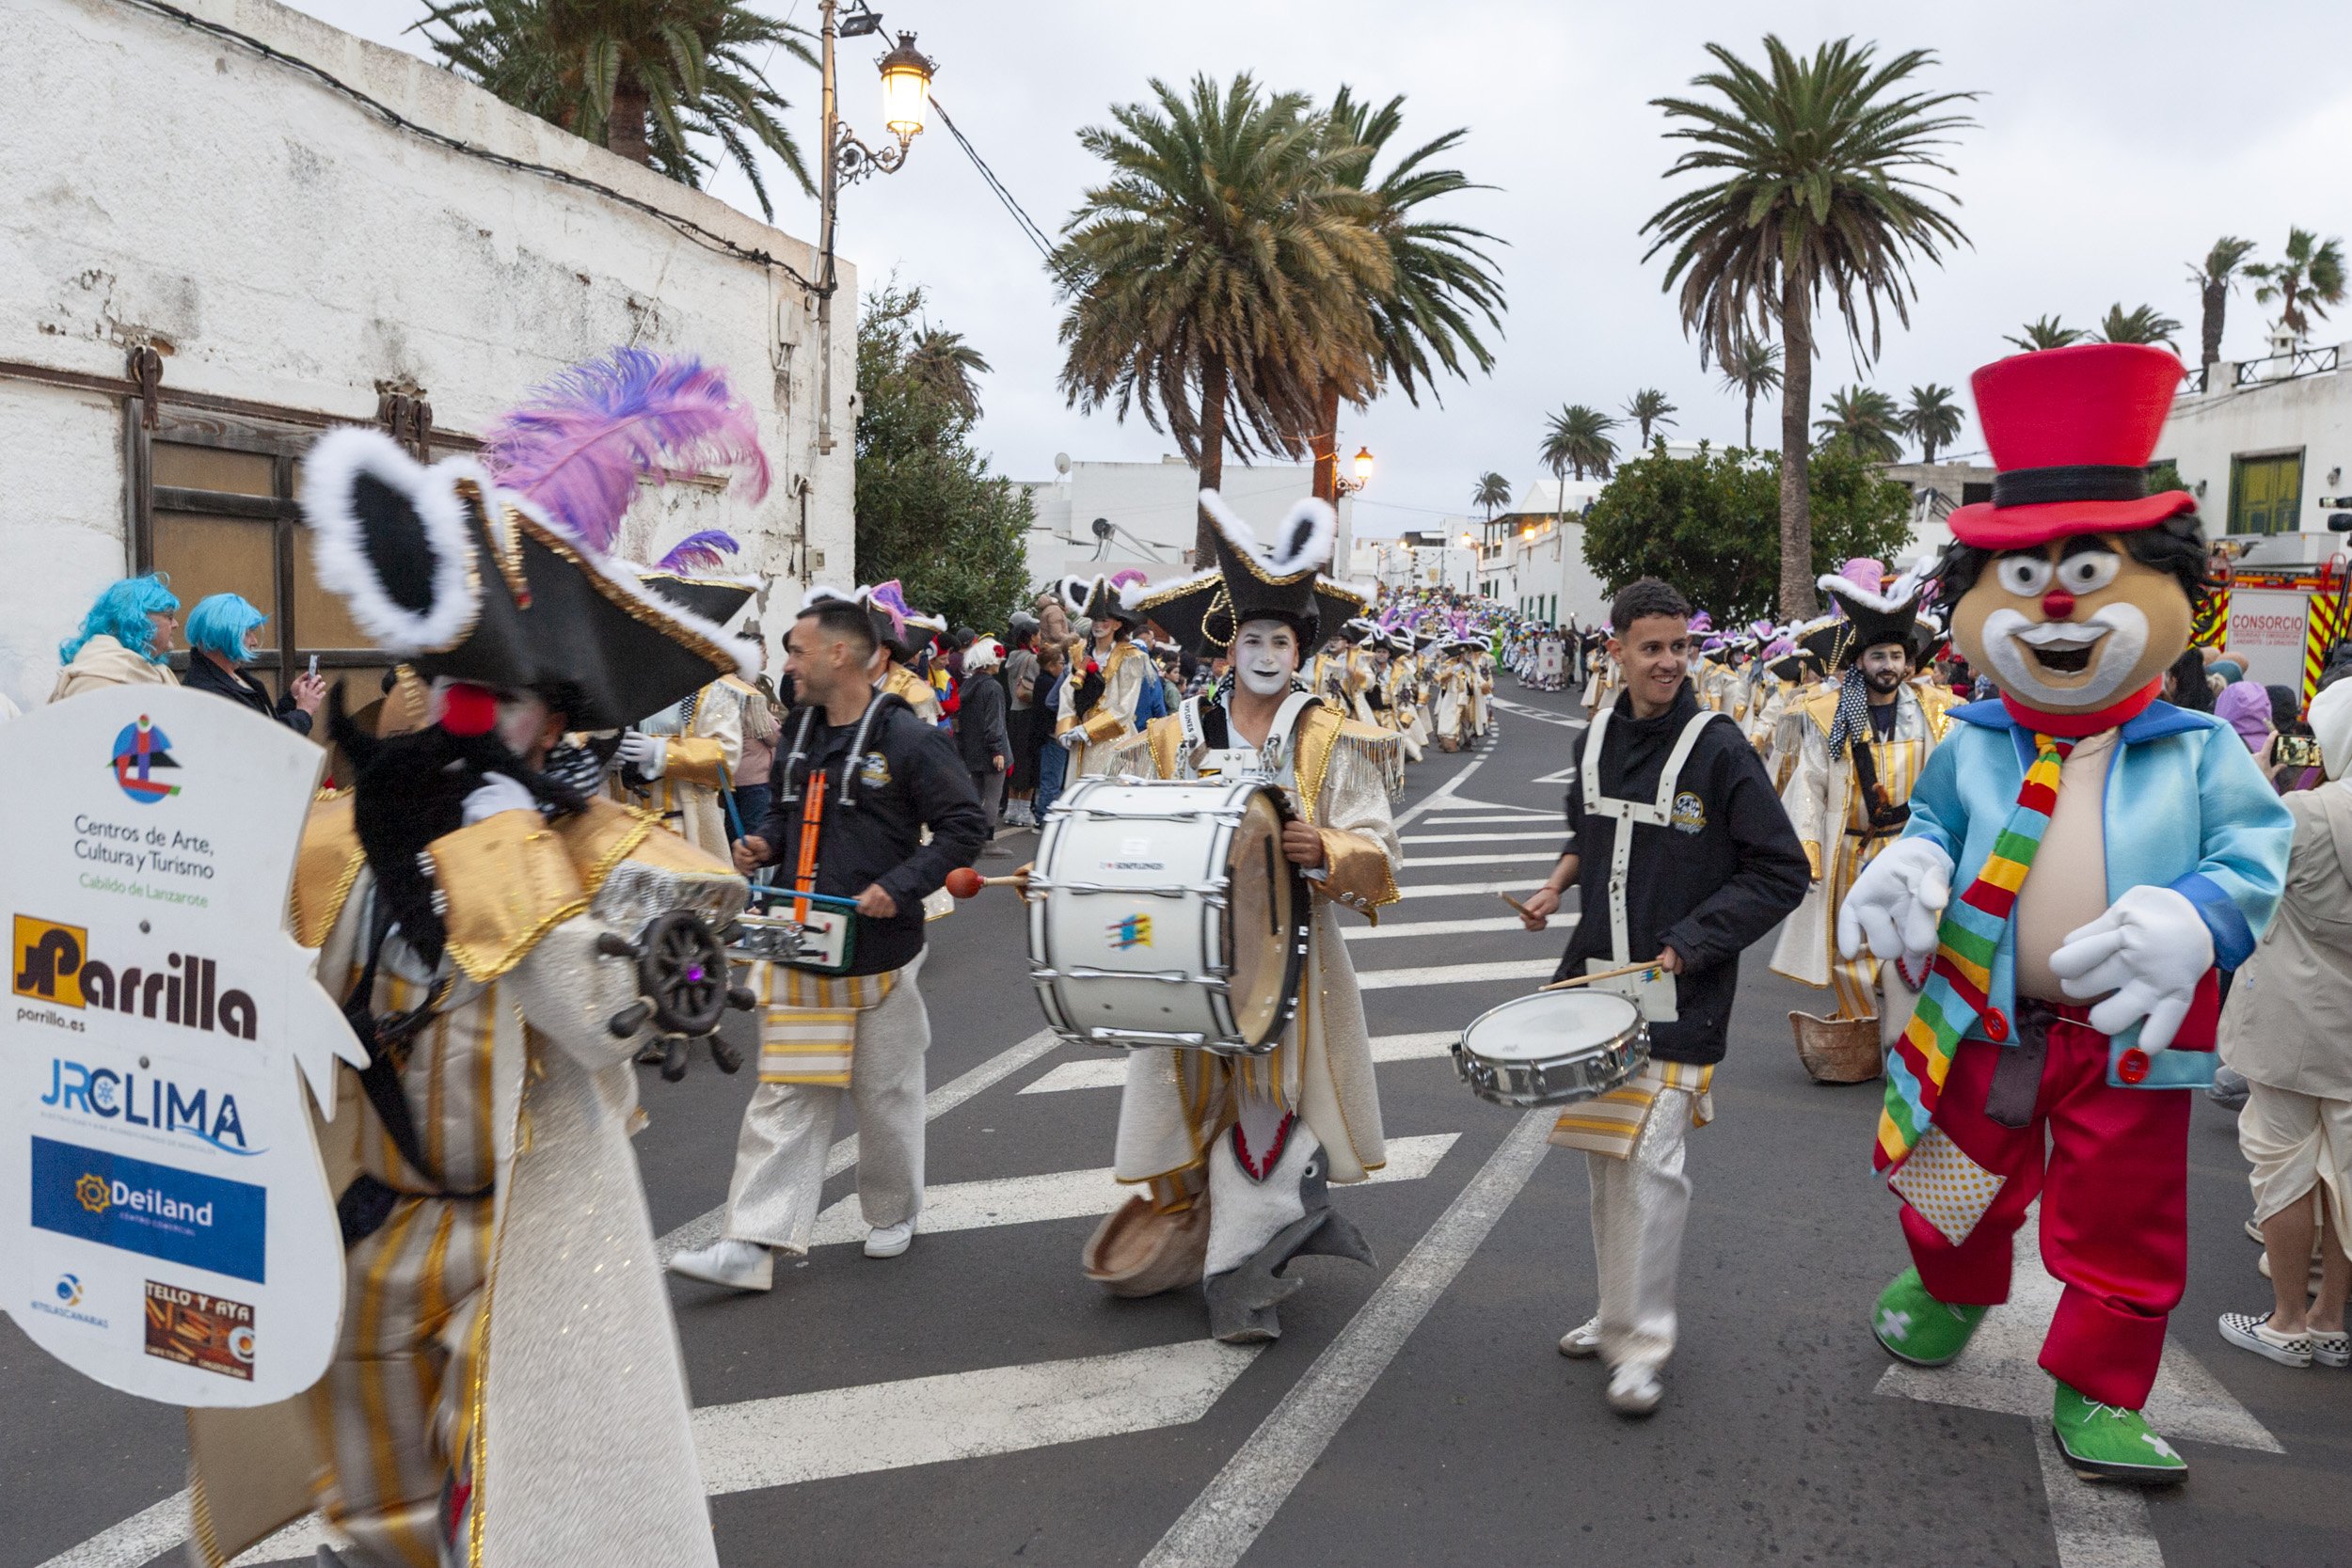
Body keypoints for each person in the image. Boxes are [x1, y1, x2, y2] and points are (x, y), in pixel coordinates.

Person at [283, 425, 751, 1568]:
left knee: (521, 1524)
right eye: (445, 688)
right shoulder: (338, 837)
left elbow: (598, 1010)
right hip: (370, 1224)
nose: (462, 720)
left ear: (556, 720)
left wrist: (498, 833)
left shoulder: (607, 851)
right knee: (368, 1514)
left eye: (498, 702)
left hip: (524, 1242)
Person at [1840, 343, 2294, 1484]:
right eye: (2024, 576)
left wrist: (2200, 916)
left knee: (2123, 1217)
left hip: (2128, 1040)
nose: (2053, 604)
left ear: (2168, 589)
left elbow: (2255, 849)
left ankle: (2096, 1387)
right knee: (1957, 1173)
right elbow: (1938, 824)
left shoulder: (2197, 751)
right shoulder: (1975, 741)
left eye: (2089, 572)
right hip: (1988, 1017)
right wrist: (1910, 863)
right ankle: (1948, 1289)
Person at [1087, 491, 1399, 1343]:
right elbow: (1131, 829)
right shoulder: (1170, 734)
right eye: (1253, 639)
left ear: (1301, 651)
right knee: (1187, 1097)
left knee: (1267, 1103)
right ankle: (1212, 1232)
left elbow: (1379, 848)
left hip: (1291, 954)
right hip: (1189, 951)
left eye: (1282, 641)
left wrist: (1323, 846)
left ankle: (1240, 1275)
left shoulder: (1332, 736)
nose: (1266, 653)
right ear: (1230, 649)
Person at [1516, 577, 1809, 1416]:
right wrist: (1549, 890)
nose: (1671, 662)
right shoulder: (1597, 732)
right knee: (1611, 1163)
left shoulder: (1720, 748)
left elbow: (1781, 868)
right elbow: (1590, 831)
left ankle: (1644, 1344)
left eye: (1682, 647)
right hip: (1597, 982)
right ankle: (1616, 1317)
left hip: (1681, 992)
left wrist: (1694, 941)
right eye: (1652, 647)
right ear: (1616, 650)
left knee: (1653, 1164)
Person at [668, 591, 989, 1288]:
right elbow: (789, 813)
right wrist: (762, 842)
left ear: (838, 653)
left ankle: (893, 1209)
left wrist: (900, 885)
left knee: (885, 1094)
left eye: (795, 648)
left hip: (879, 954)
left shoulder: (910, 739)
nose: (787, 661)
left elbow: (966, 825)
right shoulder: (803, 732)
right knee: (786, 1090)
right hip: (801, 944)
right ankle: (752, 1242)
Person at [1771, 563, 1957, 1079]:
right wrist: (1806, 842)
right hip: (1852, 847)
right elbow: (1807, 781)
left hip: (1913, 845)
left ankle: (1908, 1038)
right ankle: (1858, 1039)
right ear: (1859, 662)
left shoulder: (1934, 710)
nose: (1889, 664)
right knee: (1849, 948)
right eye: (1878, 655)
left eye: (1897, 655)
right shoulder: (1827, 713)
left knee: (1916, 944)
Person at [2214, 674, 2352, 1370]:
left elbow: (2238, 871)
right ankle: (2331, 1320)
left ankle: (2288, 1321)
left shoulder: (2300, 813)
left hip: (2291, 1021)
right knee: (2343, 1173)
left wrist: (2267, 772)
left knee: (2285, 1168)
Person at [179, 592, 326, 733]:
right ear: (225, 635)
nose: (254, 641)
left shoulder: (229, 675)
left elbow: (264, 722)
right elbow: (265, 742)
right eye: (248, 632)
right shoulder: (209, 691)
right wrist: (304, 712)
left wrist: (292, 700)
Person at [1055, 572, 1152, 776]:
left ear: (1117, 624)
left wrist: (1090, 730)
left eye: (1104, 620)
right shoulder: (1080, 652)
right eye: (1095, 620)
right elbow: (1067, 693)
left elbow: (1125, 707)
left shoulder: (1130, 658)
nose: (1098, 625)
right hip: (1080, 742)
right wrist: (1065, 726)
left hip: (1113, 742)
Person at [50, 573, 181, 701]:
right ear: (138, 620)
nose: (176, 624)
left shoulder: (148, 671)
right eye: (169, 617)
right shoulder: (97, 679)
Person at [957, 635, 1011, 837]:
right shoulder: (993, 688)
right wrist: (997, 749)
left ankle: (971, 835)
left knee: (977, 795)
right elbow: (994, 722)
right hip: (991, 750)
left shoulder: (968, 685)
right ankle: (987, 840)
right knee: (992, 797)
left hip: (972, 748)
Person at [1003, 612, 1042, 826]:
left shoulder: (1011, 658)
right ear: (1030, 637)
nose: (1040, 637)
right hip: (1028, 711)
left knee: (1015, 760)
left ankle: (1011, 809)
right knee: (1029, 760)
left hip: (1013, 712)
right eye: (1037, 634)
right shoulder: (1033, 659)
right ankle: (1024, 811)